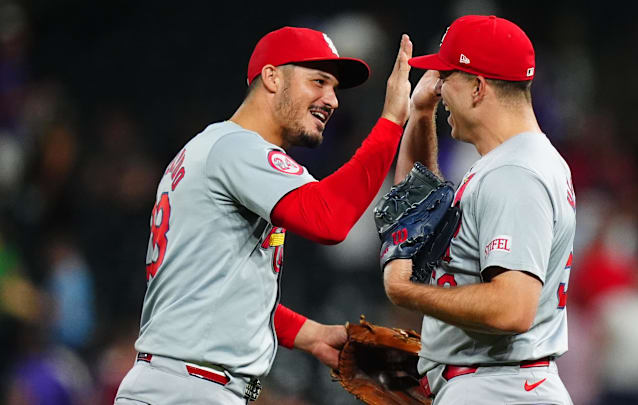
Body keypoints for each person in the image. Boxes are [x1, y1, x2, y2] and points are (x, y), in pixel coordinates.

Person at [114, 27, 413, 404]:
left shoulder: (212, 149)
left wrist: (312, 335)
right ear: (272, 77)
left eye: (334, 88)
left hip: (179, 383)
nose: (332, 100)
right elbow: (329, 219)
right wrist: (391, 121)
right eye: (318, 81)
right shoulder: (238, 149)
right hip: (189, 389)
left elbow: (214, 294)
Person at [382, 15, 576, 404]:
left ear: (477, 87)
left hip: (498, 386)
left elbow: (512, 308)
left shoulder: (515, 173)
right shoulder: (511, 161)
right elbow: (420, 210)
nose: (437, 86)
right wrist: (420, 116)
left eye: (445, 75)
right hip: (497, 383)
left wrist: (406, 291)